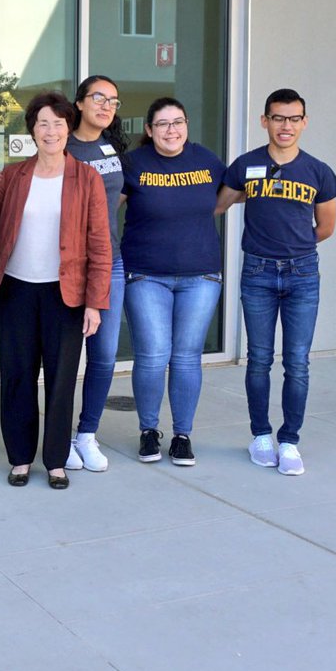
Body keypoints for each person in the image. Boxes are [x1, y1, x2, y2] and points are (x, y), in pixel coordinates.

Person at [0, 92, 111, 489]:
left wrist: (95, 302)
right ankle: (20, 457)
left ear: (69, 128)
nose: (51, 130)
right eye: (43, 123)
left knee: (61, 378)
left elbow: (100, 244)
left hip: (66, 294)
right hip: (18, 290)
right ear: (32, 130)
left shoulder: (86, 177)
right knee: (18, 375)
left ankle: (56, 460)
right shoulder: (13, 175)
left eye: (58, 123)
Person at [216, 88, 336, 475]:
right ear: (264, 121)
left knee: (297, 363)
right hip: (257, 272)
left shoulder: (318, 170)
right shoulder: (246, 165)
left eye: (293, 118)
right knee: (258, 360)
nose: (285, 126)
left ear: (303, 122)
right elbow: (219, 204)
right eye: (277, 118)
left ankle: (289, 441)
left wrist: (292, 248)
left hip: (303, 273)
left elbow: (325, 228)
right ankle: (260, 436)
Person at [121, 98, 225, 466]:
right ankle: (149, 431)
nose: (171, 130)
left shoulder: (207, 161)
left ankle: (183, 435)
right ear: (149, 130)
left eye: (178, 122)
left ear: (187, 125)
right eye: (162, 124)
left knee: (186, 358)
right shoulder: (134, 164)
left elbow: (229, 197)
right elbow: (103, 205)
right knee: (152, 356)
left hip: (202, 275)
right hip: (147, 274)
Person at [65, 75, 128, 473]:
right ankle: (58, 435)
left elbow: (119, 197)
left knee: (103, 356)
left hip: (112, 262)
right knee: (66, 356)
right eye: (99, 98)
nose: (106, 106)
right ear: (80, 102)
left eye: (114, 102)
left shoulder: (113, 147)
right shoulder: (62, 144)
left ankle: (87, 433)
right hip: (70, 265)